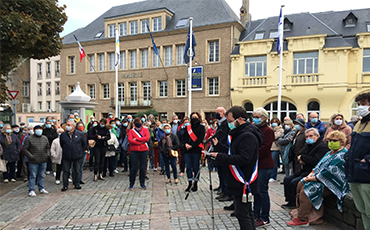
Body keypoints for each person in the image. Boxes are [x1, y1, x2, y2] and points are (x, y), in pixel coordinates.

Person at [210, 106, 263, 230]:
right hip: (239, 180)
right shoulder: (240, 133)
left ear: (239, 119)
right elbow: (232, 152)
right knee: (246, 212)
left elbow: (244, 158)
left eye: (230, 121)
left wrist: (220, 156)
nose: (229, 124)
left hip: (244, 179)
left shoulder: (247, 135)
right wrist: (219, 148)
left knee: (243, 214)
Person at [288, 130, 350, 226]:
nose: (331, 143)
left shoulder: (342, 155)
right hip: (321, 179)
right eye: (329, 140)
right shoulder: (330, 153)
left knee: (307, 190)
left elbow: (329, 174)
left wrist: (311, 179)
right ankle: (301, 211)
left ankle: (303, 219)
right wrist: (310, 174)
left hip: (333, 183)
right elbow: (318, 166)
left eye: (334, 141)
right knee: (300, 183)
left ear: (341, 142)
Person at [282, 128, 329, 209]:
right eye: (306, 137)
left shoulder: (322, 147)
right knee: (287, 179)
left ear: (317, 136)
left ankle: (297, 203)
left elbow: (316, 161)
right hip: (304, 169)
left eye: (310, 136)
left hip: (312, 172)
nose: (308, 138)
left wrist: (303, 158)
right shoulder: (308, 145)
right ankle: (290, 201)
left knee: (294, 182)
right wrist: (303, 158)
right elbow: (300, 154)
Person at [344, 92, 370, 230]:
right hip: (355, 173)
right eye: (359, 104)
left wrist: (367, 160)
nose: (360, 107)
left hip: (367, 176)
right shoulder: (359, 123)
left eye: (364, 104)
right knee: (363, 210)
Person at [252, 108, 275, 227]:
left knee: (262, 191)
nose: (254, 119)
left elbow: (265, 148)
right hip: (255, 165)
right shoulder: (254, 129)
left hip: (264, 165)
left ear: (264, 118)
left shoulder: (268, 131)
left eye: (257, 117)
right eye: (254, 117)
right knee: (256, 191)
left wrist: (251, 155)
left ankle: (264, 217)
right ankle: (256, 213)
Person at [60, 120, 87, 191]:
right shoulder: (63, 135)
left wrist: (79, 151)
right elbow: (62, 144)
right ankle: (65, 185)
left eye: (69, 125)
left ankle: (77, 184)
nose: (67, 126)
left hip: (77, 156)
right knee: (66, 171)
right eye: (67, 125)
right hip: (66, 156)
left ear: (73, 126)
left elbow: (84, 144)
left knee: (77, 170)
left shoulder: (80, 134)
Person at [23, 126, 50, 196]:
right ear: (34, 131)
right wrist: (31, 157)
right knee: (33, 176)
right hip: (33, 161)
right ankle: (31, 189)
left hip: (43, 160)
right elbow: (25, 149)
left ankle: (41, 188)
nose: (39, 131)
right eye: (37, 130)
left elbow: (48, 148)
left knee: (41, 175)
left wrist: (47, 155)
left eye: (40, 129)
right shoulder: (29, 138)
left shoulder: (45, 138)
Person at [213, 107, 233, 202]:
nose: (216, 114)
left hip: (224, 149)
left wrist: (219, 144)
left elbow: (224, 137)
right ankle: (223, 189)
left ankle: (227, 192)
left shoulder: (226, 124)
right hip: (219, 149)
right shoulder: (220, 123)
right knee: (221, 172)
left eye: (218, 112)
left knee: (225, 173)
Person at [183, 112, 205, 192]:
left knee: (196, 167)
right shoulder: (187, 127)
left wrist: (192, 145)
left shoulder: (201, 128)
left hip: (196, 149)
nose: (194, 118)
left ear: (199, 118)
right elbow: (184, 137)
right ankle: (189, 183)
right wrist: (186, 144)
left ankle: (195, 183)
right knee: (188, 167)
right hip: (187, 150)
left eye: (195, 117)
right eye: (192, 117)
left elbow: (199, 139)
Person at [127, 117, 150, 190]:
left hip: (144, 150)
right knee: (133, 168)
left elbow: (146, 139)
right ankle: (131, 183)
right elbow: (130, 140)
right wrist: (141, 142)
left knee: (143, 168)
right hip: (134, 151)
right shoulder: (131, 131)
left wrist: (136, 139)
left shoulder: (146, 130)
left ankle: (142, 183)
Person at [270, 118, 284, 182]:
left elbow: (275, 136)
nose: (274, 123)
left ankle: (273, 176)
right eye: (273, 122)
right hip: (269, 147)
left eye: (275, 122)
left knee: (274, 162)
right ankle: (269, 175)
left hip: (276, 148)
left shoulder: (280, 130)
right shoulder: (269, 128)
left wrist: (269, 136)